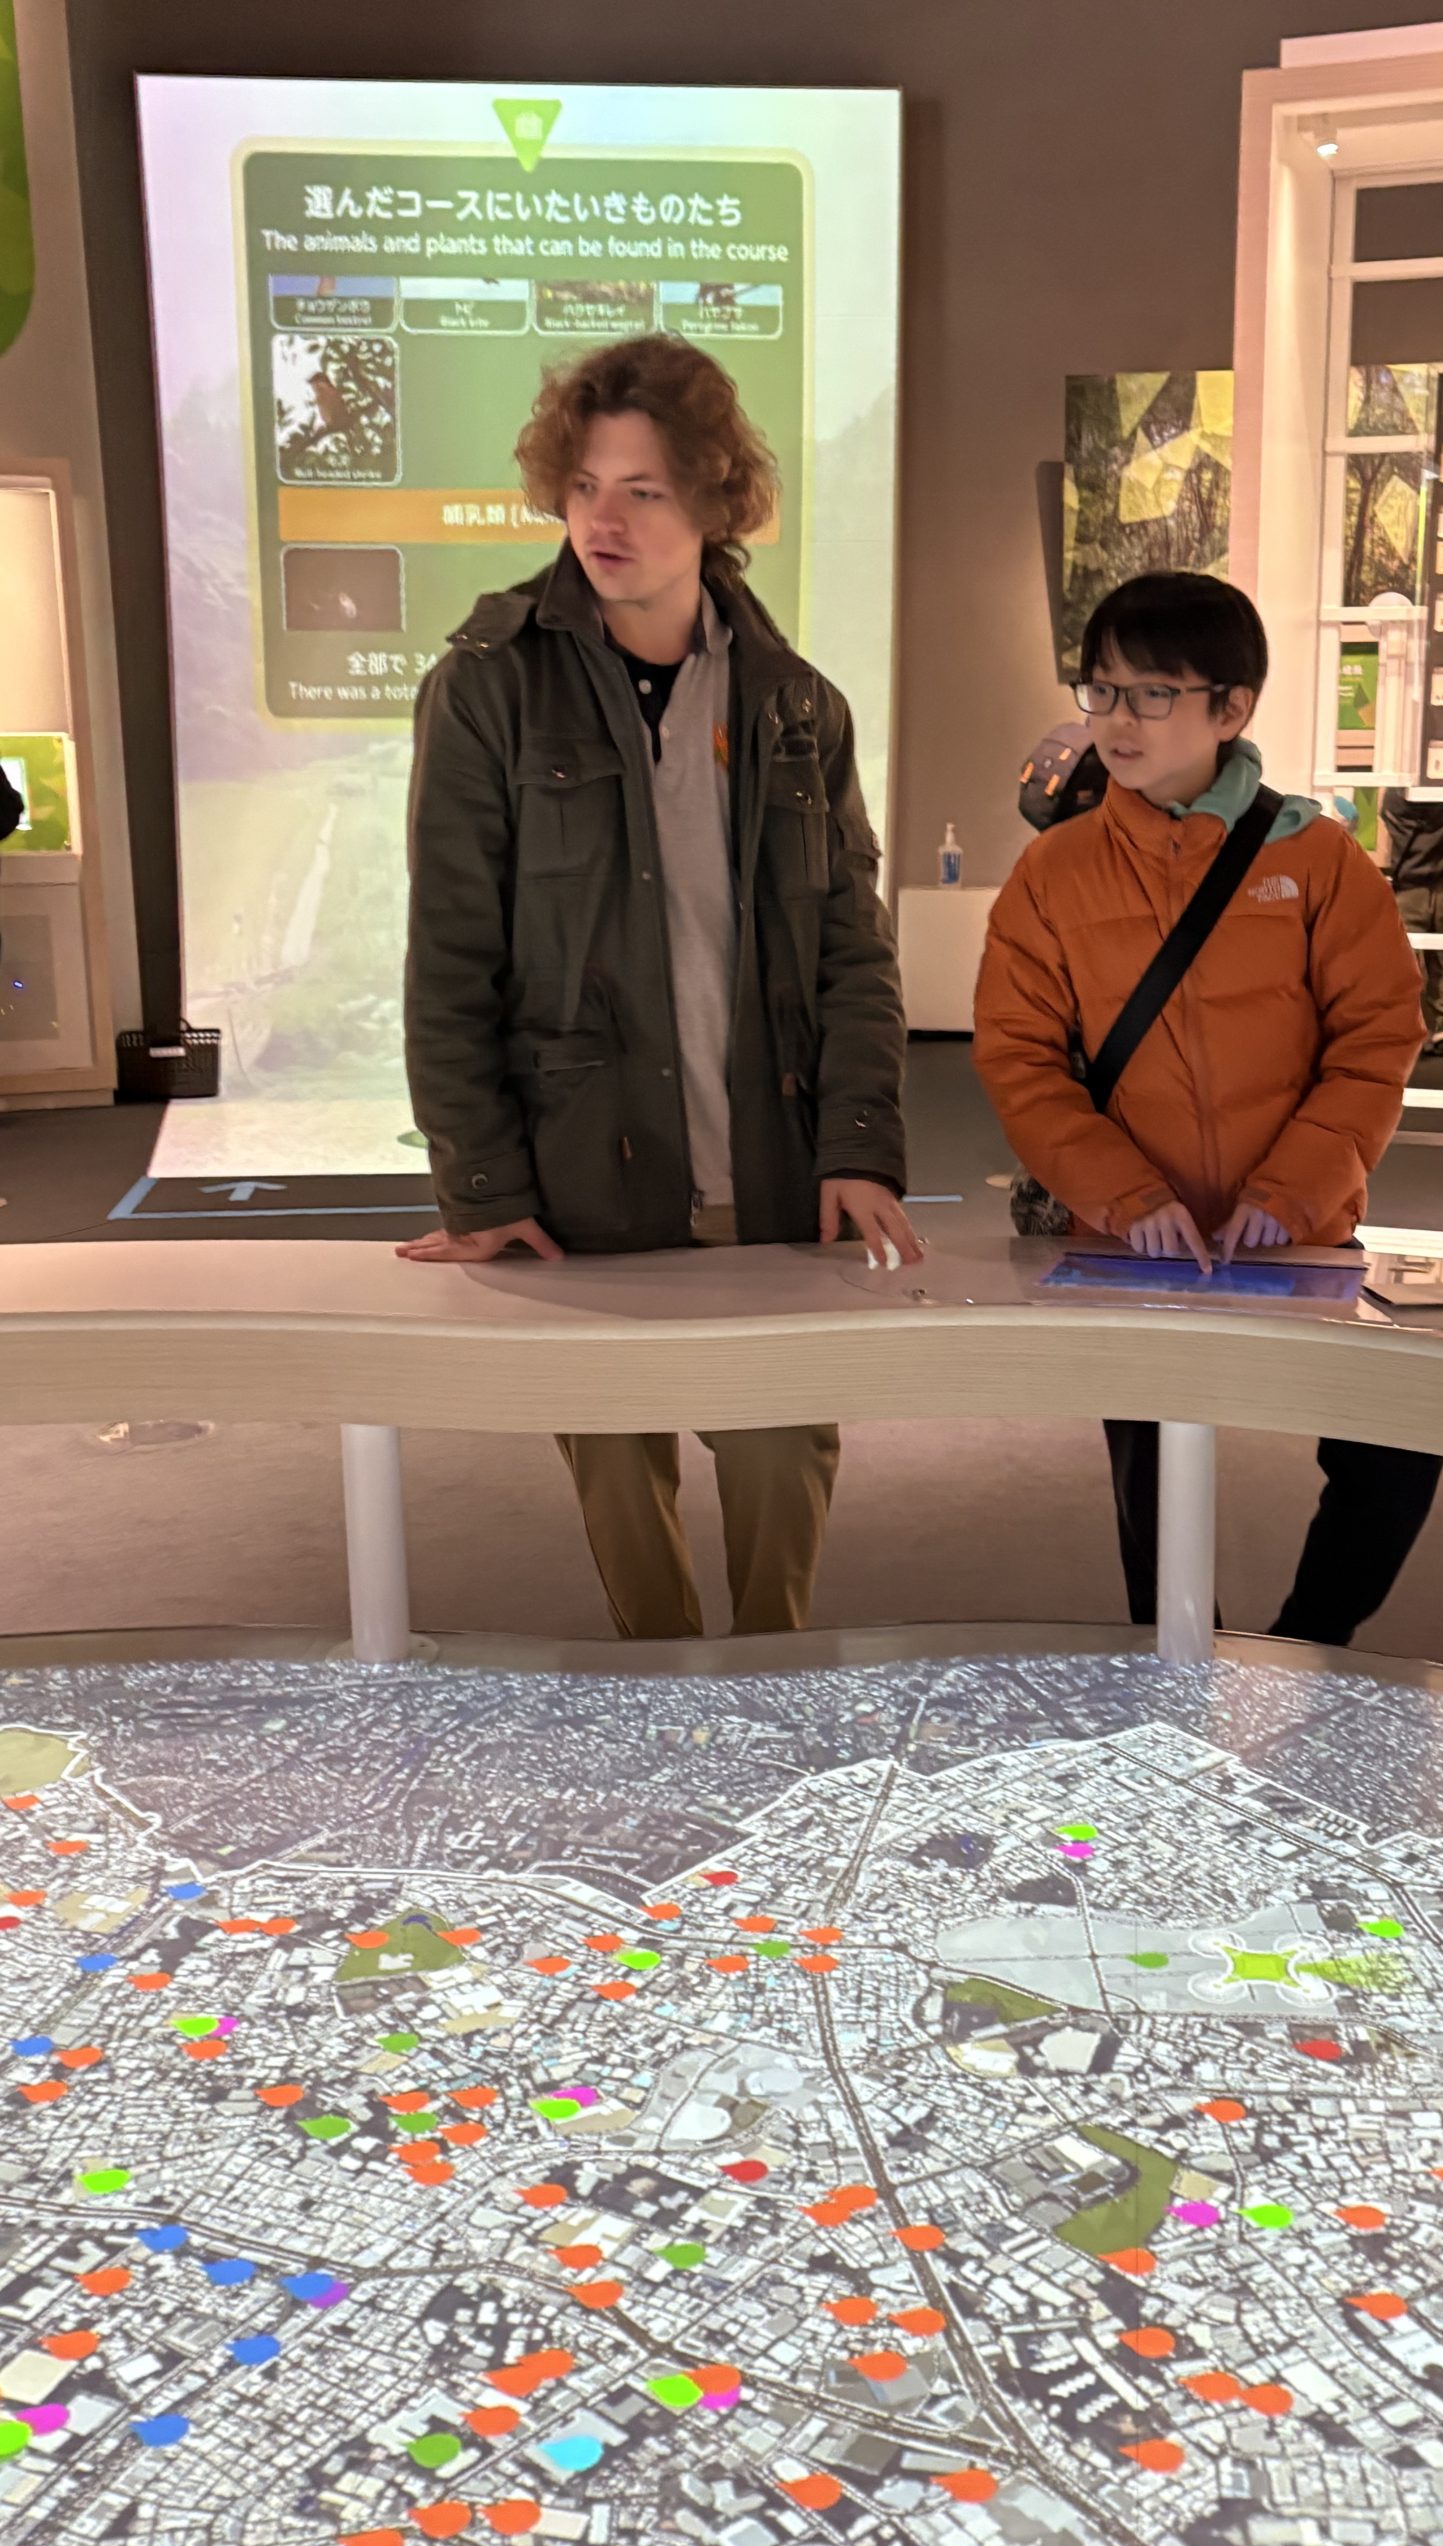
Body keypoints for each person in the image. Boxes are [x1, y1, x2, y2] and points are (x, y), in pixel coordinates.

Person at [400, 334, 917, 1642]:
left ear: (714, 500)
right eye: (584, 486)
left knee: (780, 1459)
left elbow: (853, 946)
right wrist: (482, 1183)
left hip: (769, 1155)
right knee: (619, 1482)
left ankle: (770, 1707)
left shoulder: (800, 708)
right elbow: (451, 954)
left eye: (643, 489)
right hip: (582, 1164)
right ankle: (663, 1708)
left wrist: (860, 1142)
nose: (604, 520)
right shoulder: (485, 690)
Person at [974, 571, 1443, 1646]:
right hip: (1130, 1244)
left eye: (1152, 693)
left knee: (1396, 1438)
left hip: (1299, 1232)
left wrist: (1296, 1192)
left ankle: (1311, 1647)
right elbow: (1019, 1057)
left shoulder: (1317, 861)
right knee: (1154, 1477)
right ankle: (1185, 1675)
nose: (1117, 721)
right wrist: (1122, 1195)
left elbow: (1377, 1037)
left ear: (1231, 708)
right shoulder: (1053, 872)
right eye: (1101, 690)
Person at [1380, 787, 1443, 1056]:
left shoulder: (1396, 799)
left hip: (1409, 889)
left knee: (1403, 964)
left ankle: (1403, 1027)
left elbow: (1387, 815)